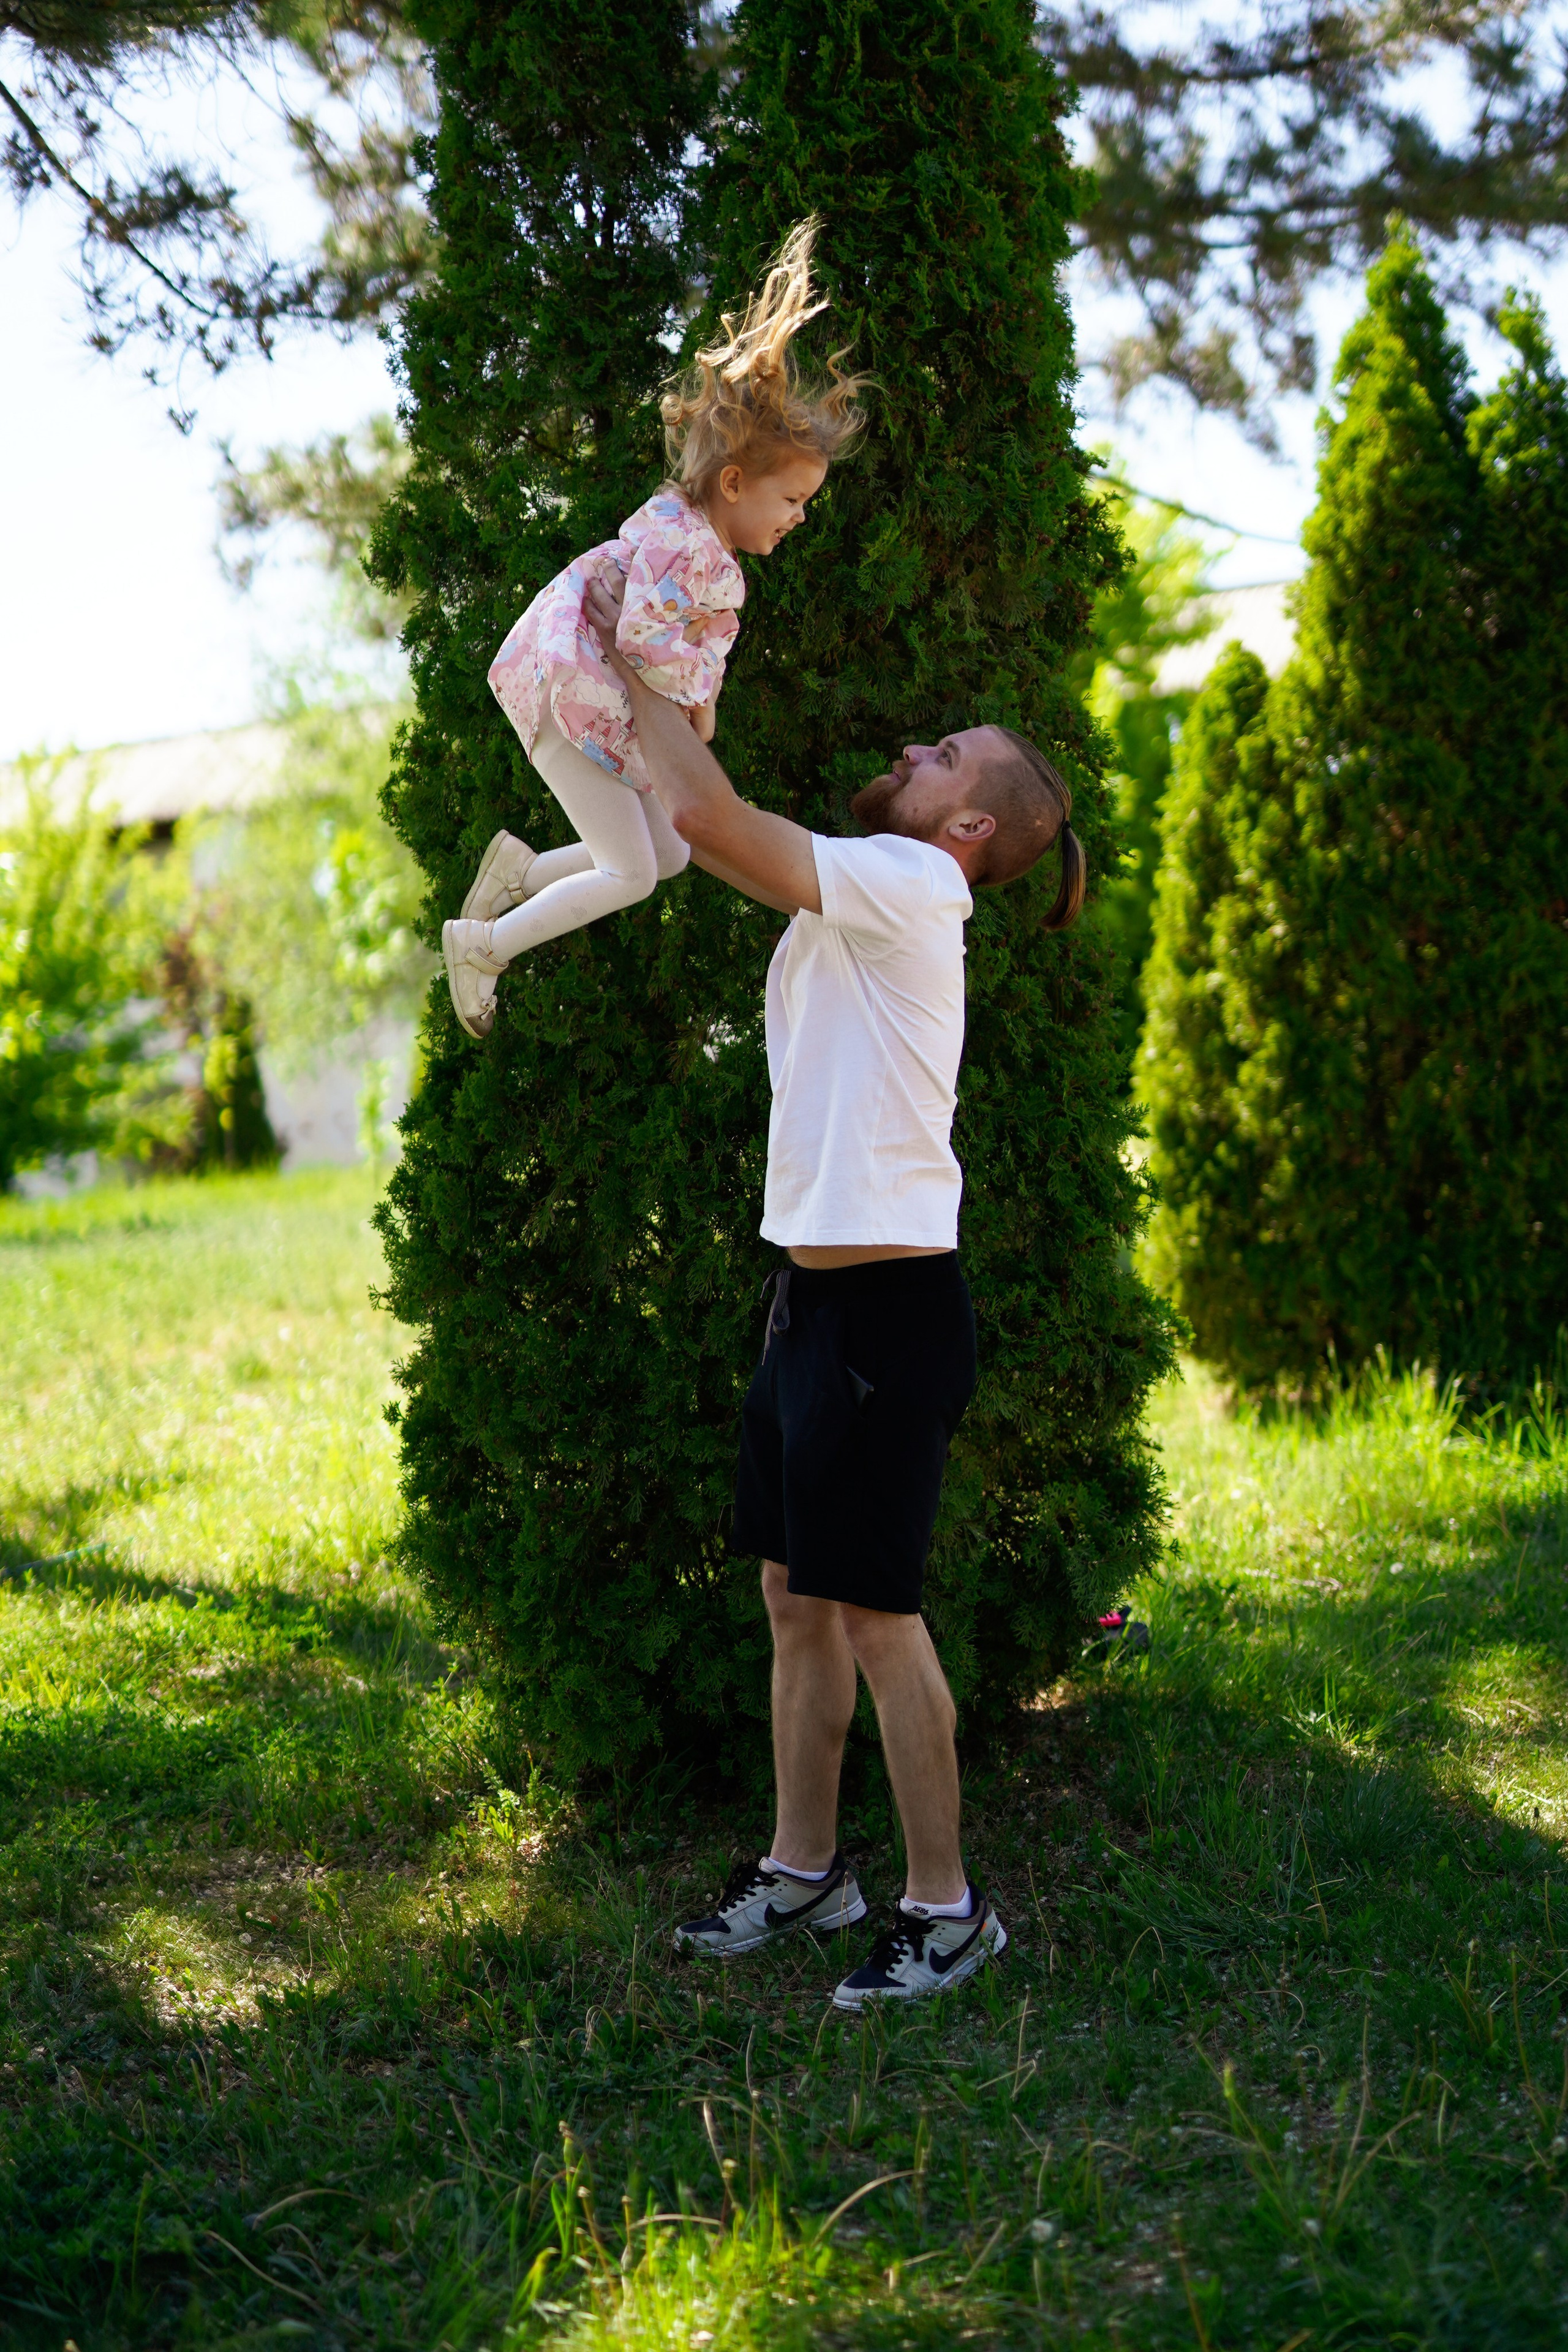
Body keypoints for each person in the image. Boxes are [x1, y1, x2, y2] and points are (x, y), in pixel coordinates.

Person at [581, 572, 1086, 2009]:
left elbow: (712, 822)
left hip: (888, 1317)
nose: (916, 752)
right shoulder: (865, 891)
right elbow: (720, 842)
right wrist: (647, 713)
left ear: (967, 826)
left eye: (943, 757)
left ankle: (947, 1912)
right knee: (793, 1599)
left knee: (873, 1615)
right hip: (810, 1304)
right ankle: (807, 1870)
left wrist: (634, 660)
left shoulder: (916, 884)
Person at [440, 218, 865, 1038]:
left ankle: (519, 871)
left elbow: (672, 651)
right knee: (631, 872)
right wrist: (697, 708)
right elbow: (641, 642)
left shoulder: (697, 545)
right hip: (569, 695)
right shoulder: (691, 550)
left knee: (666, 855)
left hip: (579, 695)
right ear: (735, 483)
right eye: (791, 501)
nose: (800, 519)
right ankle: (485, 944)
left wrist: (698, 701)